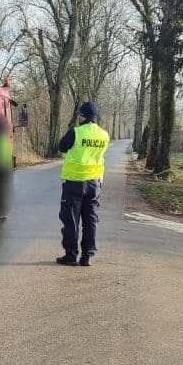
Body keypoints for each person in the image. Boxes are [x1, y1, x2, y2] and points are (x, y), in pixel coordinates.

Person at [56, 101, 110, 266]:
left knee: (71, 220)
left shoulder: (76, 133)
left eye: (79, 114)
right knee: (90, 220)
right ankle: (87, 256)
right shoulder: (104, 135)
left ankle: (71, 255)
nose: (78, 117)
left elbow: (62, 146)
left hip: (75, 182)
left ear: (83, 116)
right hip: (94, 184)